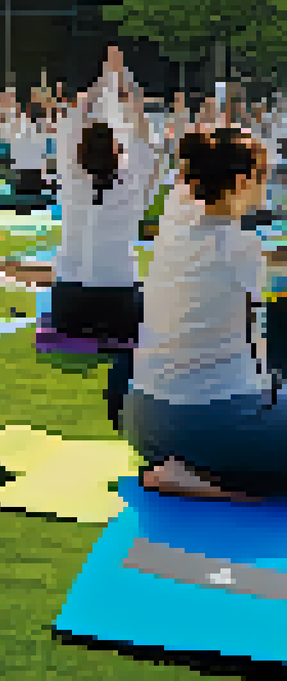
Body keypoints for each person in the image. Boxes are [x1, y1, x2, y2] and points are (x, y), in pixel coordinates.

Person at [120, 126, 284, 500]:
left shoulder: (172, 227)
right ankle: (219, 483)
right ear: (242, 181)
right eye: (265, 176)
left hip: (143, 423)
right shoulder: (240, 247)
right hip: (207, 423)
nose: (268, 186)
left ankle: (191, 470)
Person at [52, 49, 166, 428]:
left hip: (69, 308)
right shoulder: (132, 184)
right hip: (119, 307)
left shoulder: (71, 181)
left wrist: (104, 81)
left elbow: (72, 120)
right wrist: (126, 86)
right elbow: (145, 136)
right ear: (118, 152)